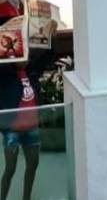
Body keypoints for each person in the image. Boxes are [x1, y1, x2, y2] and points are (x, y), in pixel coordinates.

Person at [0, 50, 51, 200]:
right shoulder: (5, 74)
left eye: (27, 56)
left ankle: (26, 198)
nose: (25, 59)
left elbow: (47, 54)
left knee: (33, 164)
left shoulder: (32, 70)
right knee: (10, 169)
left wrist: (50, 36)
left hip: (31, 128)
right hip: (12, 130)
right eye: (21, 56)